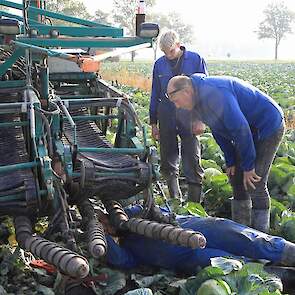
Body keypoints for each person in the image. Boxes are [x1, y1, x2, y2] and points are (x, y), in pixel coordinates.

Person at [166, 74, 285, 232]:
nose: (177, 106)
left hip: (267, 126)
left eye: (176, 101)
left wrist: (249, 166)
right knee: (236, 177)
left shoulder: (215, 93)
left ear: (187, 91)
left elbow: (240, 129)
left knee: (255, 182)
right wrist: (231, 161)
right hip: (248, 131)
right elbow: (218, 130)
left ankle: (261, 237)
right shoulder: (197, 101)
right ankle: (241, 229)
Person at [102, 205, 295, 275]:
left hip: (202, 229)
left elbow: (157, 211)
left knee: (249, 239)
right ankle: (285, 277)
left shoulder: (136, 213)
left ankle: (289, 252)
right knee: (236, 267)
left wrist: (121, 217)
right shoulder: (128, 248)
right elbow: (121, 261)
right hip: (191, 257)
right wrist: (103, 234)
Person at [149, 29, 208, 202]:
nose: (168, 56)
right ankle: (175, 199)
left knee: (192, 156)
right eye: (164, 53)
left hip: (189, 114)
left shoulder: (196, 60)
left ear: (178, 44)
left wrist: (200, 119)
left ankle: (194, 204)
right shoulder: (159, 64)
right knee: (168, 157)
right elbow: (155, 93)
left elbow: (204, 91)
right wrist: (154, 123)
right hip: (166, 114)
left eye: (171, 51)